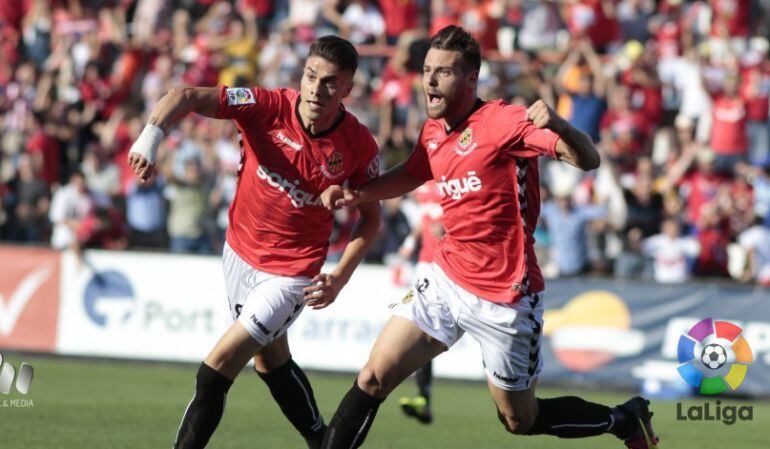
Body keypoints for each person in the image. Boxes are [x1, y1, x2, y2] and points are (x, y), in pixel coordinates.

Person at [318, 26, 658, 449]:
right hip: (447, 277)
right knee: (373, 376)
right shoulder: (432, 129)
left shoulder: (504, 121)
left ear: (471, 79)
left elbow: (587, 159)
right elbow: (411, 173)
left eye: (443, 72)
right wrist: (358, 193)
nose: (429, 81)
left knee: (519, 419)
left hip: (506, 295)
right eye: (427, 70)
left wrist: (560, 124)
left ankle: (624, 420)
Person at [127, 36, 381, 449]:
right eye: (311, 76)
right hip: (239, 254)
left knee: (216, 369)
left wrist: (340, 277)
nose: (317, 89)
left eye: (331, 82)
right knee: (271, 361)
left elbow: (371, 218)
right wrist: (150, 138)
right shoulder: (267, 106)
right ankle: (323, 441)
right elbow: (185, 95)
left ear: (348, 89)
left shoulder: (357, 145)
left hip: (292, 274)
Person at [396, 181, 443, 424]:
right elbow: (425, 219)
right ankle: (423, 396)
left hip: (451, 264)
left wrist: (450, 228)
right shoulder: (423, 185)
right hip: (425, 264)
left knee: (428, 329)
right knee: (421, 325)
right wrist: (410, 242)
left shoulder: (454, 175)